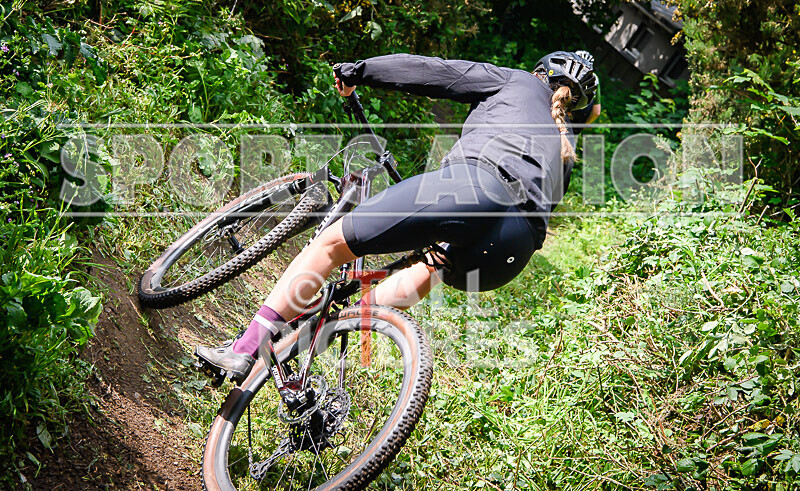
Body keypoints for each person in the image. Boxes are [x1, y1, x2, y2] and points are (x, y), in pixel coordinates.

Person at [195, 51, 599, 382]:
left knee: (332, 243)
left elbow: (430, 72)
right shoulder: (566, 149)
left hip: (476, 188)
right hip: (510, 254)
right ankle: (321, 330)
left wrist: (359, 72)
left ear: (541, 72)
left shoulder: (516, 81)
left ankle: (243, 350)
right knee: (431, 266)